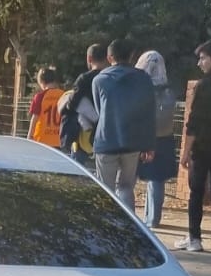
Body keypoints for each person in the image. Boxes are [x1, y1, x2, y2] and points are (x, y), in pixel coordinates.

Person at [175, 36, 211, 253]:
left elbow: (193, 123)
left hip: (203, 147)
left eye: (203, 58)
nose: (199, 63)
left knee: (196, 192)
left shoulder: (204, 86)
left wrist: (185, 152)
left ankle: (194, 238)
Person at [92, 38, 156, 211]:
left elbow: (99, 110)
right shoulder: (143, 78)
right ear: (132, 55)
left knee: (105, 189)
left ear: (109, 56)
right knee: (126, 187)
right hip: (132, 142)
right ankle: (129, 225)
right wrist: (149, 144)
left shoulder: (100, 79)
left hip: (106, 140)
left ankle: (106, 226)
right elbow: (149, 112)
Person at [135, 50, 178, 230]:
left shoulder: (142, 90)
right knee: (157, 180)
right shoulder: (169, 90)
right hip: (166, 138)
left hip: (147, 138)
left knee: (136, 180)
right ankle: (153, 217)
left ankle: (149, 219)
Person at [58, 43, 108, 169]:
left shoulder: (84, 79)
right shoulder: (110, 78)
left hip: (83, 135)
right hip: (107, 132)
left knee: (78, 169)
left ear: (89, 59)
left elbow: (72, 104)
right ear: (108, 58)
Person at [27, 67, 65, 147]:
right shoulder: (64, 95)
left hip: (42, 141)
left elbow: (35, 118)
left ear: (43, 82)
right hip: (59, 140)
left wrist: (30, 136)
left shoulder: (40, 97)